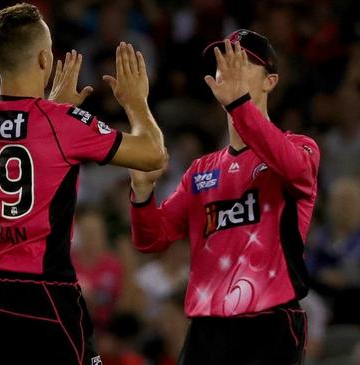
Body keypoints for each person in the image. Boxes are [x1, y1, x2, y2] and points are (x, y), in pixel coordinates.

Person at [0, 3, 167, 365]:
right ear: (44, 59)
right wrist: (136, 103)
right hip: (43, 295)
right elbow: (152, 155)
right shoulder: (60, 122)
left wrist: (52, 107)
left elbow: (24, 142)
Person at [128, 30, 320, 364]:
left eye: (241, 61)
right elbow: (152, 240)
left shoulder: (300, 148)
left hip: (269, 323)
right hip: (207, 330)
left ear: (270, 81)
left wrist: (239, 106)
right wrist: (142, 195)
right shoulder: (201, 171)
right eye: (222, 61)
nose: (228, 69)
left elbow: (293, 168)